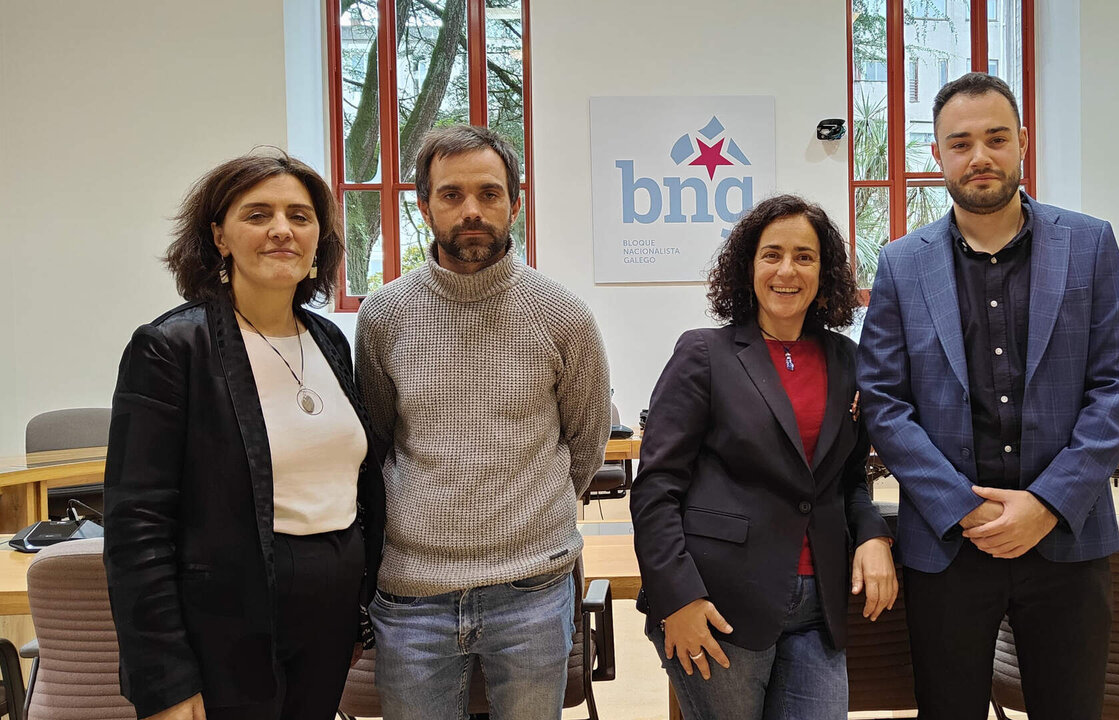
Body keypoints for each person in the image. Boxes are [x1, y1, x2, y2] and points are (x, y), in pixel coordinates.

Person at [856, 72, 1119, 720]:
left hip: (1067, 541)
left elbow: (1118, 383)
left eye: (995, 138)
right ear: (937, 156)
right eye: (960, 143)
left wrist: (1047, 503)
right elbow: (883, 399)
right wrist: (961, 507)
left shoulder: (1089, 244)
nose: (978, 156)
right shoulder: (902, 264)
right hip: (950, 546)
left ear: (1022, 143)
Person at [104, 151, 386, 720]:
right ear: (219, 237)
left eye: (300, 216)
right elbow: (137, 526)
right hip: (225, 622)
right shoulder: (170, 349)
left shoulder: (329, 340)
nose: (282, 230)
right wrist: (165, 679)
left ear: (319, 240)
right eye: (258, 215)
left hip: (329, 619)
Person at [355, 124, 611, 720]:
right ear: (424, 206)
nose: (471, 211)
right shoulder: (384, 315)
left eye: (489, 194)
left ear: (515, 203)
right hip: (412, 594)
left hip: (532, 592)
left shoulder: (561, 315)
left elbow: (586, 440)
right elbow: (379, 442)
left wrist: (530, 517)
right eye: (451, 195)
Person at [630, 194, 897, 720]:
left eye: (805, 256)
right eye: (771, 254)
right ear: (748, 266)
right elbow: (656, 488)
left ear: (825, 273)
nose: (787, 270)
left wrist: (872, 532)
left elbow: (847, 481)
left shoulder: (846, 359)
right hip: (718, 604)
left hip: (819, 605)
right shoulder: (704, 353)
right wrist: (675, 599)